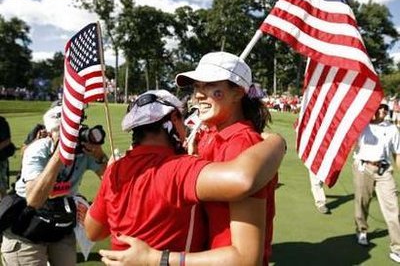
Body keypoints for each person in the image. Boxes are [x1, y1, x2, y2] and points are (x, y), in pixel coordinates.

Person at [99, 51, 279, 265]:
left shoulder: (241, 144)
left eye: (210, 85)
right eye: (197, 86)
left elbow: (246, 259)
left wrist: (157, 259)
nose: (199, 95)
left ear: (238, 92)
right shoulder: (209, 136)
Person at [1, 104, 108, 266]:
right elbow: (34, 199)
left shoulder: (84, 152)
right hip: (26, 229)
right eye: (65, 132)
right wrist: (60, 154)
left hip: (60, 228)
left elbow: (113, 183)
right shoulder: (38, 149)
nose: (73, 139)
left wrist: (100, 156)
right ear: (51, 132)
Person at [352, 101, 400, 263]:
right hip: (363, 167)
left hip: (384, 170)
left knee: (392, 208)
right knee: (362, 202)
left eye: (385, 108)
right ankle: (362, 230)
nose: (382, 110)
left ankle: (397, 247)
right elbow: (351, 144)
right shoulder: (361, 125)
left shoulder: (392, 129)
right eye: (379, 107)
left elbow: (397, 154)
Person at [0, 116, 15, 200]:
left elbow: (7, 141)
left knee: (1, 187)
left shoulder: (1, 122)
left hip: (1, 159)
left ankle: (3, 208)